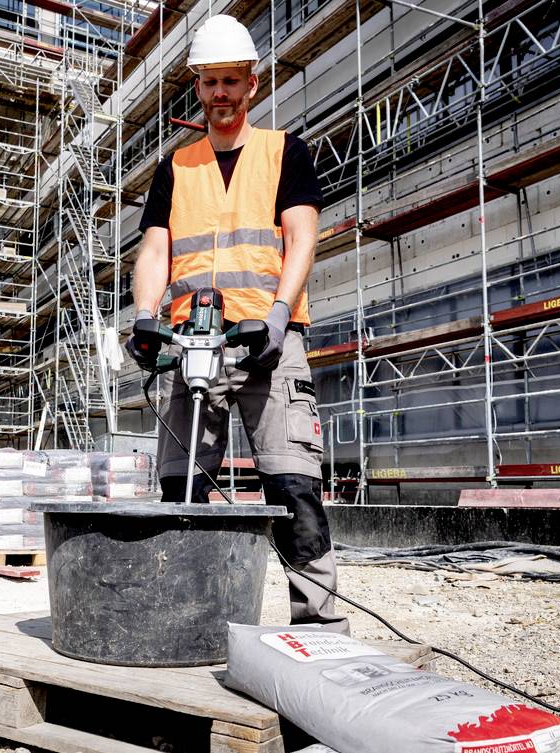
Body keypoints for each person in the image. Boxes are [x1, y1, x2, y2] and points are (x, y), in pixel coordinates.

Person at [125, 15, 349, 634]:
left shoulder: (285, 153)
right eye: (208, 83)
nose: (219, 94)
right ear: (196, 86)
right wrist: (147, 318)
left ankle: (317, 625)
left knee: (292, 481)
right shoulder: (177, 166)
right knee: (180, 487)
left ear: (251, 83)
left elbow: (303, 237)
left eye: (231, 81)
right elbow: (155, 250)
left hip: (268, 343)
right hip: (191, 346)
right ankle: (185, 616)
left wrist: (279, 314)